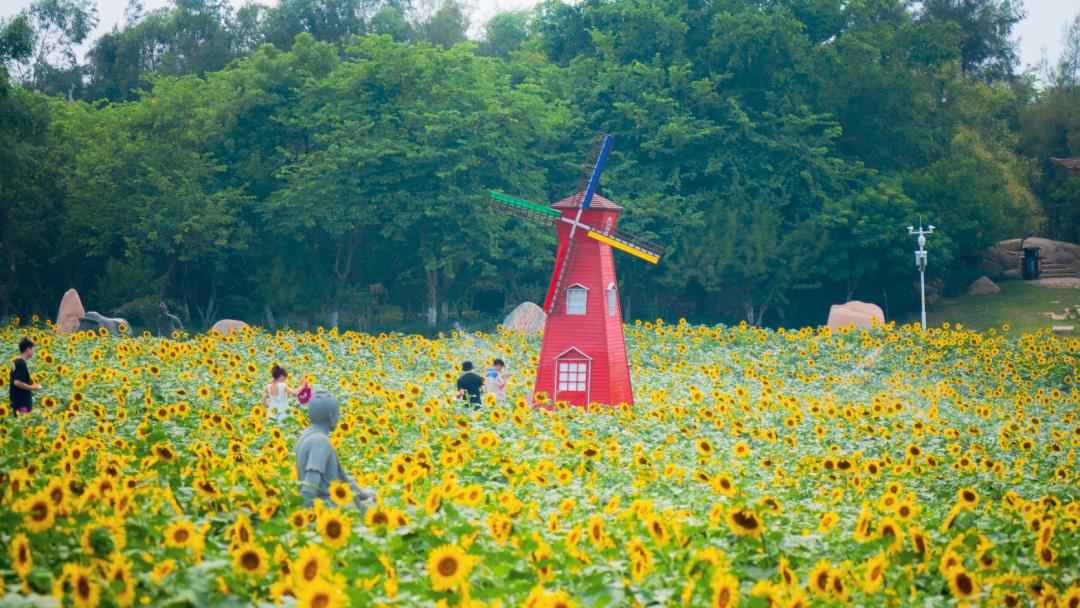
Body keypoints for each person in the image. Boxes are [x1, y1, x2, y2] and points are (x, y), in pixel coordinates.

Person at [295, 389, 376, 512]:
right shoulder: (320, 442)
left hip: (331, 502)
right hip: (328, 509)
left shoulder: (306, 435)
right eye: (337, 413)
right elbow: (310, 487)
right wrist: (306, 519)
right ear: (330, 416)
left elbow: (342, 478)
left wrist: (364, 493)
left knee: (373, 497)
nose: (339, 418)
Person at [9, 338, 41, 416]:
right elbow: (17, 382)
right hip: (22, 405)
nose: (33, 352)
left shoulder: (16, 362)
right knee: (23, 421)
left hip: (18, 401)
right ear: (28, 349)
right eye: (32, 349)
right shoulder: (21, 364)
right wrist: (33, 388)